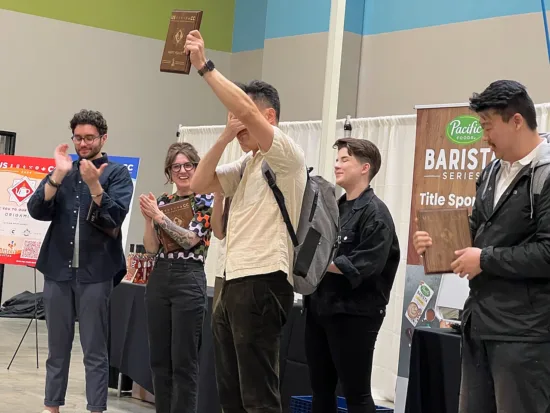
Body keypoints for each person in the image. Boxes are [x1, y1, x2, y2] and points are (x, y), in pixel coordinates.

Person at [186, 31, 307, 413]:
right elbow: (197, 183)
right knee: (231, 391)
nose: (238, 128)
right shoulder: (248, 163)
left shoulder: (285, 154)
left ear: (267, 117)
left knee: (258, 393)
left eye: (240, 119)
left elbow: (250, 114)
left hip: (263, 278)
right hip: (231, 280)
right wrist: (224, 135)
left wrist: (206, 68)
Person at [413, 80, 550, 413]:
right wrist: (437, 243)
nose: (484, 137)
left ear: (517, 120)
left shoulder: (545, 174)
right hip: (479, 322)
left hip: (525, 333)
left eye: (488, 127)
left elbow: (547, 252)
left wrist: (485, 260)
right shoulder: (490, 172)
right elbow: (475, 231)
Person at [27, 109, 134, 413]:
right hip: (58, 271)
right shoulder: (65, 172)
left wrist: (94, 186)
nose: (84, 143)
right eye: (78, 137)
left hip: (96, 273)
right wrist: (58, 175)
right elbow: (36, 209)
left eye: (90, 137)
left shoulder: (117, 173)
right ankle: (52, 406)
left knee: (94, 349)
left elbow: (115, 216)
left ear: (103, 138)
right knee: (56, 348)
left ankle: (96, 408)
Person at [304, 138, 400, 413]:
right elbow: (311, 246)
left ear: (365, 168)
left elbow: (367, 264)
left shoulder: (376, 214)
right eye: (337, 159)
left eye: (345, 159)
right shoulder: (332, 208)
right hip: (320, 309)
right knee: (320, 390)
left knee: (356, 394)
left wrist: (318, 263)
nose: (337, 164)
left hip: (354, 315)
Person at [139, 142, 214, 413]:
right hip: (160, 277)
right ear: (169, 172)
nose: (182, 171)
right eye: (176, 166)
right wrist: (148, 220)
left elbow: (190, 240)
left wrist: (158, 217)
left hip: (189, 279)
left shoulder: (206, 200)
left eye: (187, 165)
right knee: (159, 360)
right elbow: (151, 248)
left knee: (184, 362)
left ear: (197, 167)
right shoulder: (164, 201)